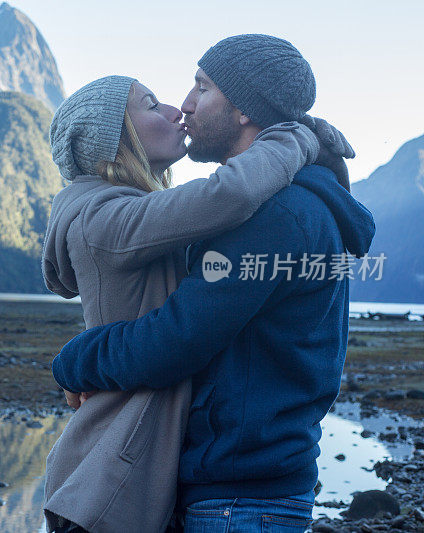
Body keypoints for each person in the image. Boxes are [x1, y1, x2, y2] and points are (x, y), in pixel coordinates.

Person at [49, 35, 376, 532]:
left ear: (243, 109)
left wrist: (76, 361)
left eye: (201, 87)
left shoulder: (275, 214)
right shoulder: (258, 209)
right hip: (241, 488)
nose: (185, 105)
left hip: (242, 498)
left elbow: (176, 338)